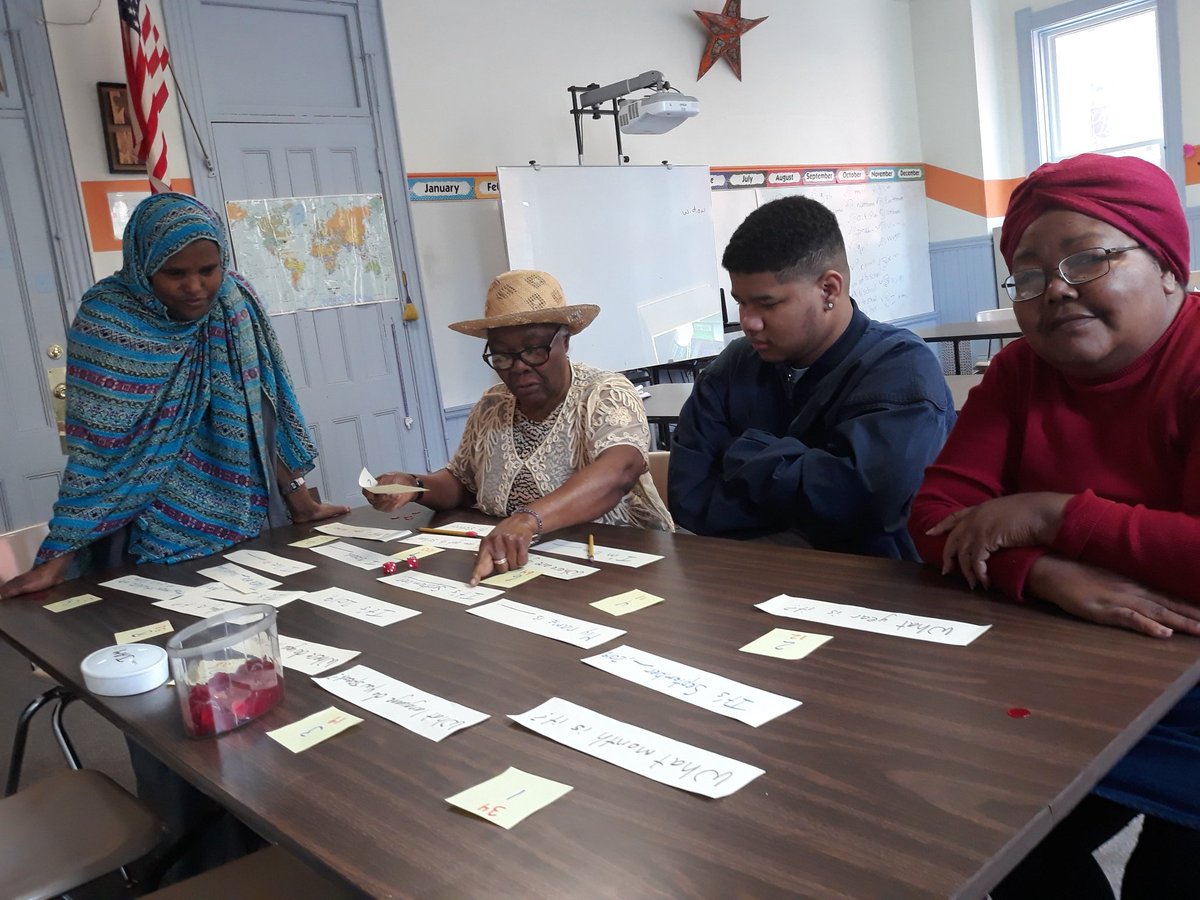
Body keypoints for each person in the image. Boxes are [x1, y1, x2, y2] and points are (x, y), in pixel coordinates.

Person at [908, 153, 1200, 898]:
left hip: (1186, 690)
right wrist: (1041, 572)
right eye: (1030, 276)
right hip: (1067, 687)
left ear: (1169, 265)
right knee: (989, 847)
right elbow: (936, 520)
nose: (1055, 289)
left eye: (1087, 259)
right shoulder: (1018, 373)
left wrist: (1053, 514)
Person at [1, 192, 348, 601]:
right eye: (174, 273)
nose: (195, 287)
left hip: (245, 519)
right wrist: (57, 560)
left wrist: (300, 502)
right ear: (143, 267)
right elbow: (99, 453)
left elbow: (260, 414)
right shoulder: (109, 319)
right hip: (144, 533)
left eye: (209, 269)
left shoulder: (233, 304)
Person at [668, 195, 955, 558]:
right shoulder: (731, 367)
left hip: (871, 595)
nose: (748, 322)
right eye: (741, 302)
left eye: (768, 304)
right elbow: (688, 498)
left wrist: (744, 453)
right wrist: (809, 490)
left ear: (828, 290)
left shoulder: (900, 369)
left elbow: (871, 510)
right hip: (743, 580)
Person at [365, 269, 672, 585]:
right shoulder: (491, 405)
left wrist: (527, 520)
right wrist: (413, 484)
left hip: (619, 568)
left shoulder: (604, 393)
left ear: (565, 342)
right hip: (526, 570)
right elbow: (461, 482)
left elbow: (618, 471)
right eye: (502, 356)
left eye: (535, 349)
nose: (519, 367)